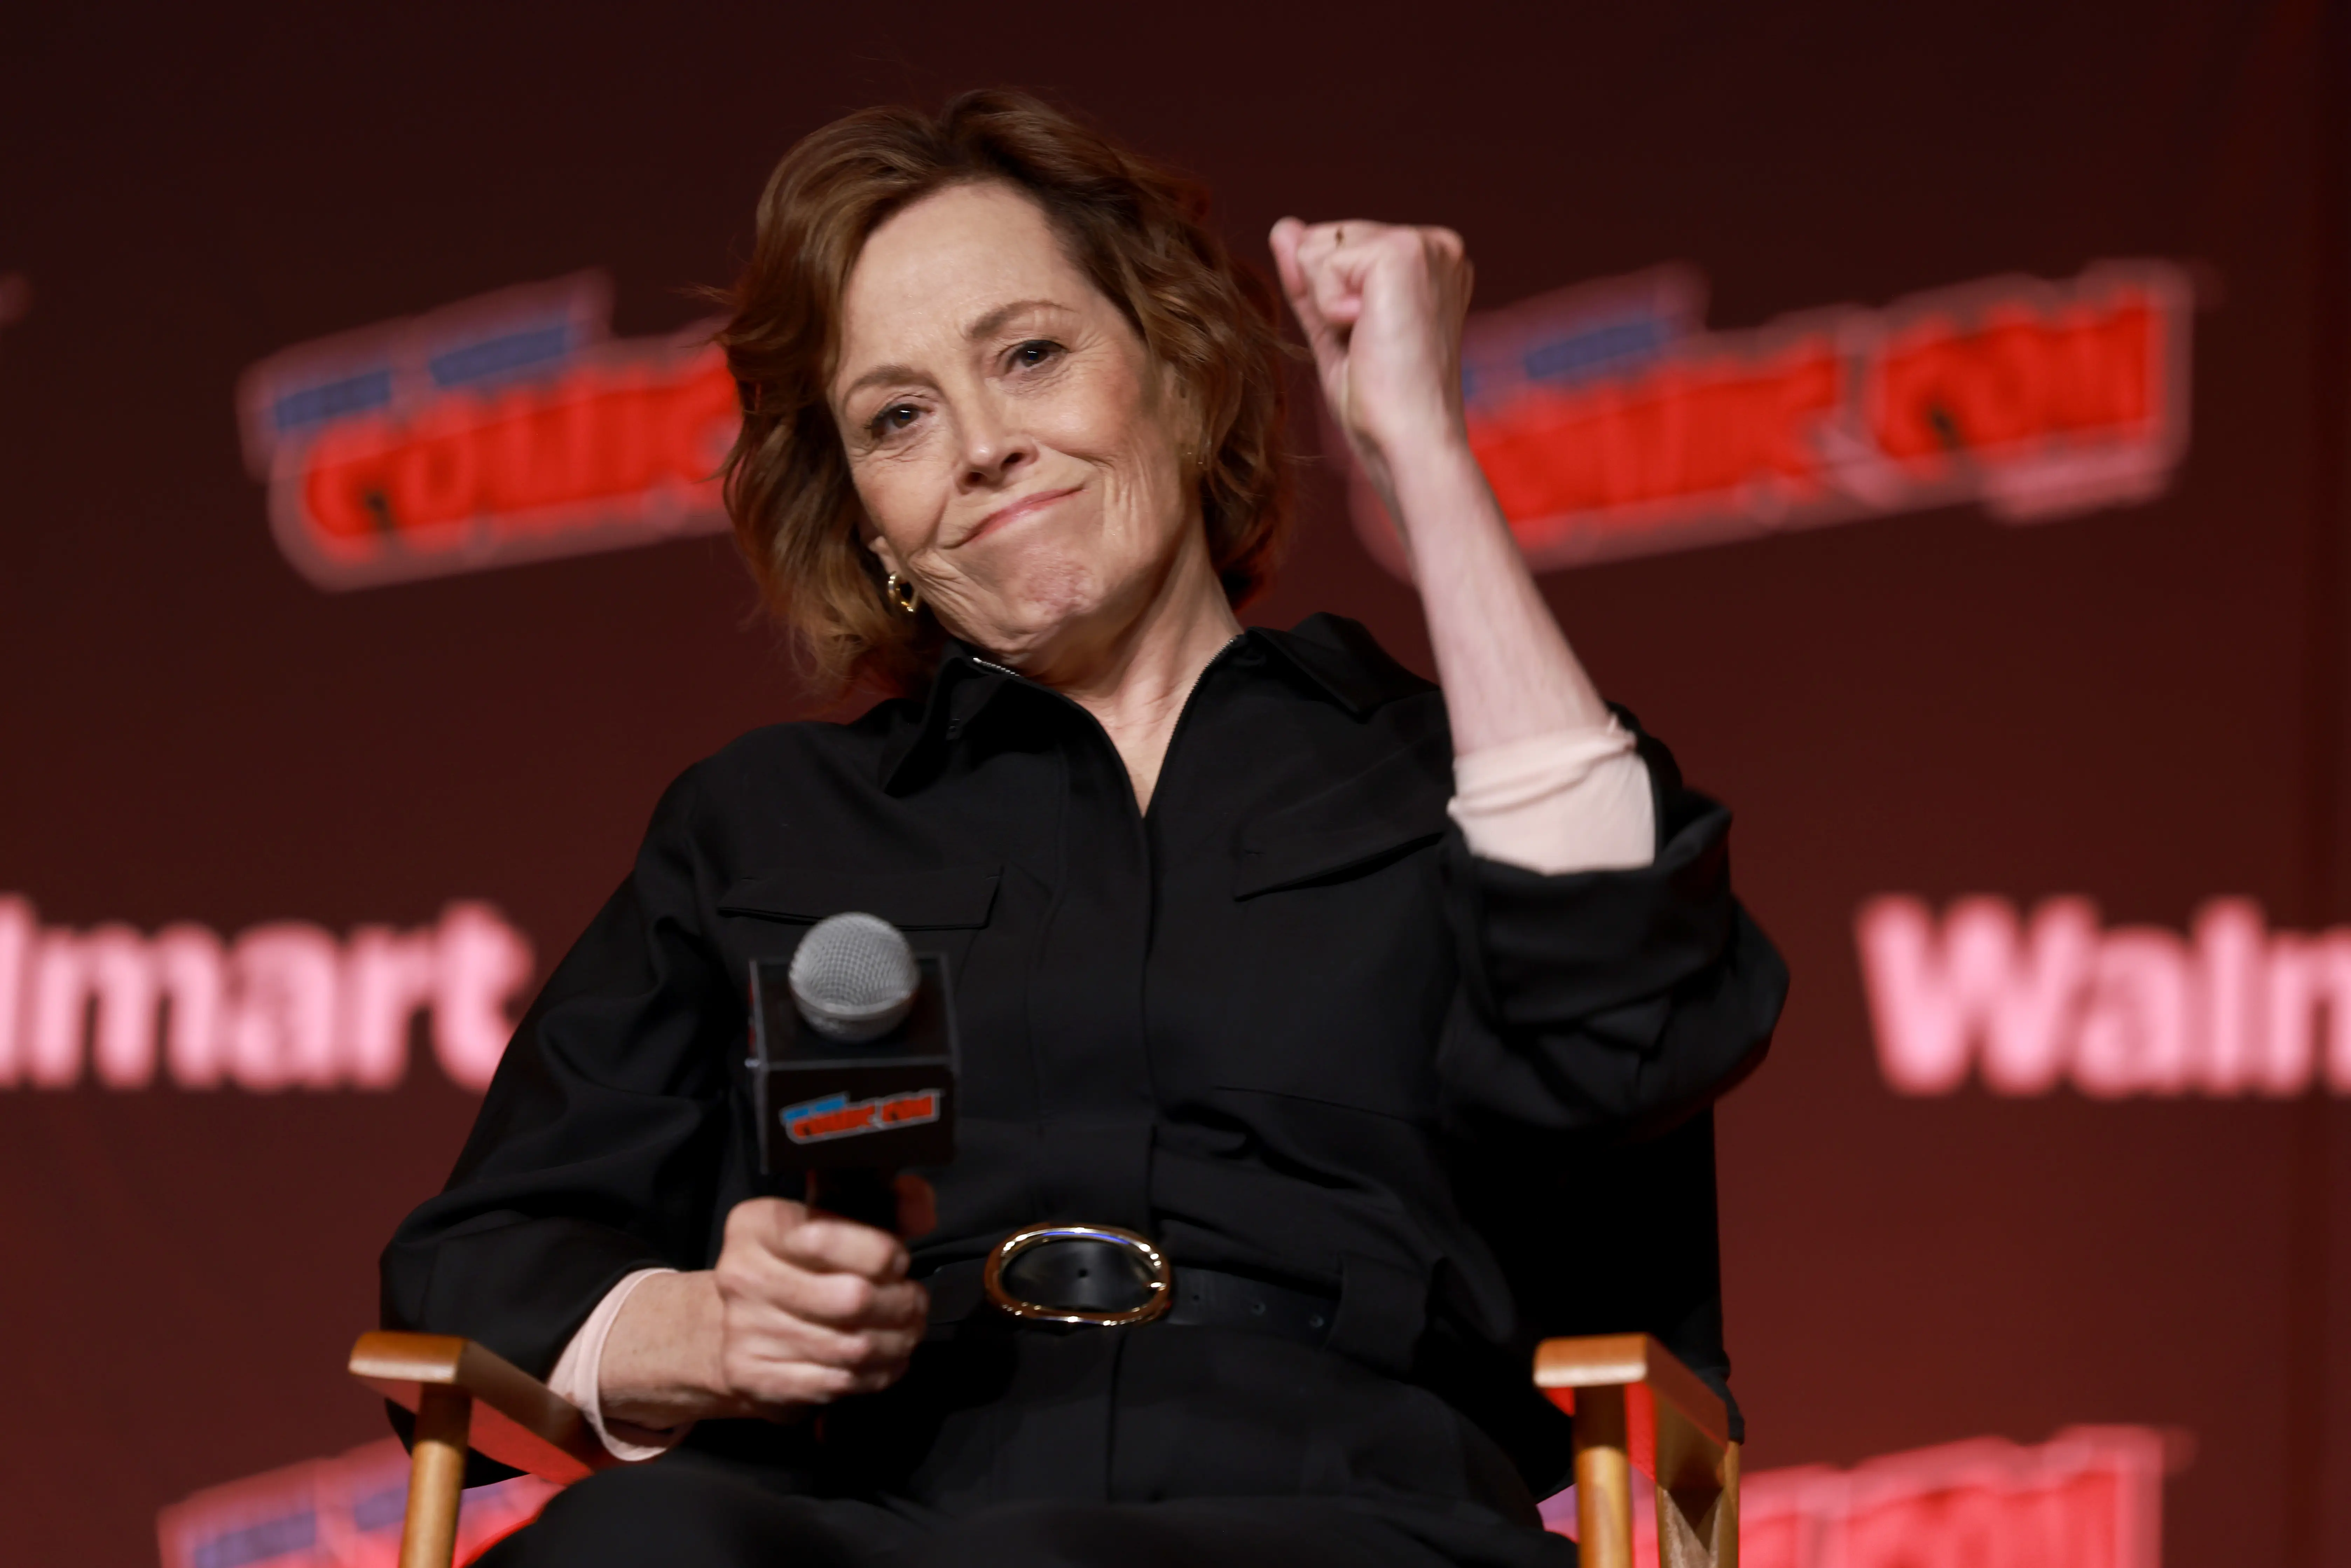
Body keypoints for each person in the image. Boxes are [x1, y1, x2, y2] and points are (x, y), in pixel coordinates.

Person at [381, 89, 1786, 1568]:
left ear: (1175, 378)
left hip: (1345, 1508)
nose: (981, 445)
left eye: (1031, 355)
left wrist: (1421, 452)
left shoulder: (1468, 776)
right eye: (899, 417)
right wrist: (700, 1331)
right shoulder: (760, 823)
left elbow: (1623, 1029)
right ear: (869, 523)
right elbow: (470, 1271)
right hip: (873, 1514)